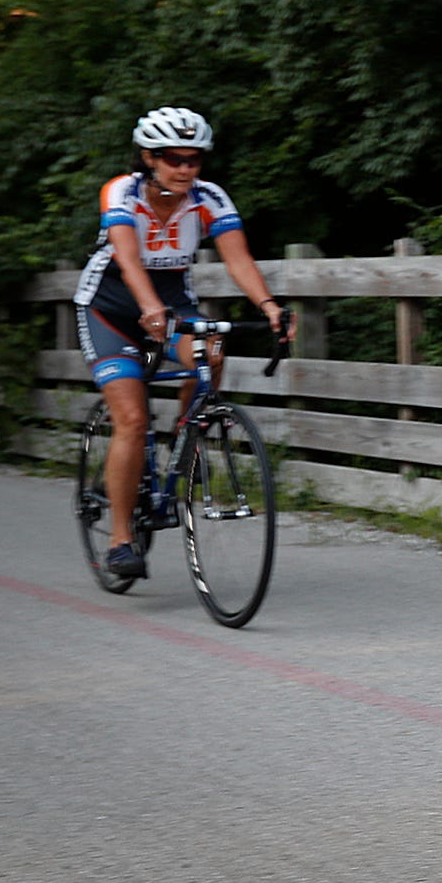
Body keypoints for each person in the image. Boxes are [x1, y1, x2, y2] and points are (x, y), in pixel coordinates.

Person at [75, 107, 288, 587]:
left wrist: (270, 305)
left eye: (195, 160)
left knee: (211, 352)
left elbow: (239, 259)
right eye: (174, 158)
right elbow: (128, 260)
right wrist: (148, 310)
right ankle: (121, 540)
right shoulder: (122, 191)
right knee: (130, 418)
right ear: (150, 157)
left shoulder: (209, 198)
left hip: (171, 303)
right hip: (111, 307)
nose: (185, 168)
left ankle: (186, 439)